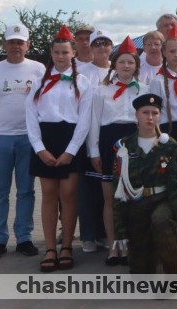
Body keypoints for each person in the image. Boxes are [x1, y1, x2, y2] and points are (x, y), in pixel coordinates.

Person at [26, 25, 92, 272]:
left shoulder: (82, 82)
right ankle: (50, 248)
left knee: (69, 194)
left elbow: (85, 120)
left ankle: (67, 246)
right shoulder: (39, 82)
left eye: (65, 52)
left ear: (73, 53)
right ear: (51, 54)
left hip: (71, 140)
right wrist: (39, 148)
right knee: (49, 196)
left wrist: (71, 150)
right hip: (45, 139)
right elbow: (31, 116)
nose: (61, 56)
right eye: (57, 52)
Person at [0, 24, 46, 260]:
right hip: (0, 138)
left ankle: (24, 238)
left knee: (26, 191)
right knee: (0, 192)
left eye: (20, 42)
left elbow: (46, 103)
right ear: (4, 44)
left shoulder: (38, 69)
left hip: (29, 138)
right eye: (11, 41)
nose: (16, 46)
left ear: (28, 44)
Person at [111, 94, 177, 274]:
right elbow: (117, 188)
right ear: (136, 115)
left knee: (160, 221)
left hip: (162, 200)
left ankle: (171, 277)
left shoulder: (169, 145)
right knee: (140, 272)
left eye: (155, 113)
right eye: (145, 112)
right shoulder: (123, 146)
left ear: (160, 116)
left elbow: (175, 186)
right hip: (135, 204)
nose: (150, 117)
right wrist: (119, 229)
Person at [86, 35, 142, 266]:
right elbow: (94, 122)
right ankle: (112, 247)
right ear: (114, 65)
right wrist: (94, 152)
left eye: (131, 62)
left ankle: (129, 245)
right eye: (122, 62)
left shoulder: (145, 89)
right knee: (110, 199)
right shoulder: (101, 91)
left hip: (136, 143)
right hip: (108, 143)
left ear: (136, 66)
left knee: (133, 197)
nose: (126, 66)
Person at [77, 29, 113, 254]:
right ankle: (88, 234)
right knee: (88, 190)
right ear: (90, 48)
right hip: (86, 136)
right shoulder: (81, 73)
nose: (101, 48)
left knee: (107, 191)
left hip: (108, 136)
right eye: (97, 44)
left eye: (105, 43)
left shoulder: (118, 70)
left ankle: (104, 233)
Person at [149, 24, 177, 141]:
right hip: (166, 130)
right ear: (164, 53)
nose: (176, 54)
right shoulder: (158, 81)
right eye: (172, 51)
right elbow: (154, 110)